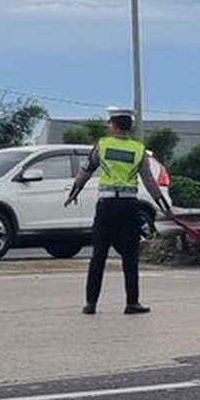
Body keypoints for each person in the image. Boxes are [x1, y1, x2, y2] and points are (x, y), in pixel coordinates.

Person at [65, 107, 173, 316]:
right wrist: (162, 204)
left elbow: (86, 171)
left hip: (106, 207)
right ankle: (132, 302)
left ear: (114, 125)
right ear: (129, 126)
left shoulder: (102, 145)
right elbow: (149, 181)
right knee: (130, 256)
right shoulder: (138, 149)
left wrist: (74, 191)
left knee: (99, 255)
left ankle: (90, 303)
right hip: (128, 207)